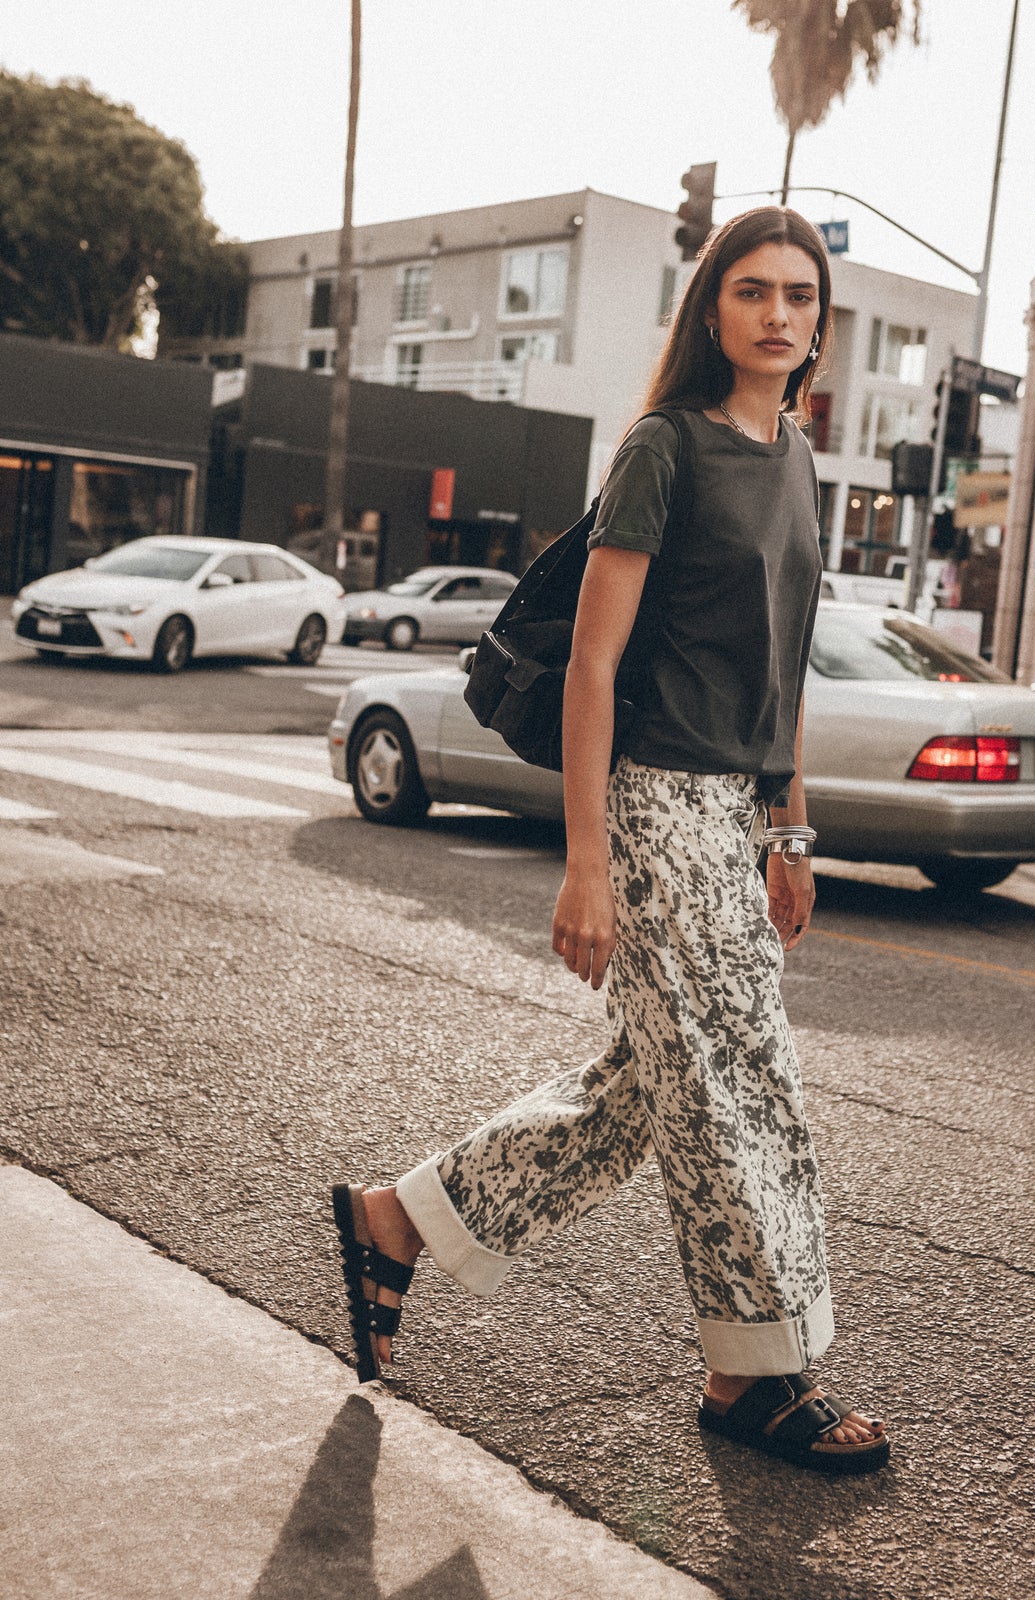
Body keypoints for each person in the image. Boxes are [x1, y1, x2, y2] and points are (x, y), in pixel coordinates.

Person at [332, 207, 889, 1476]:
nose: (777, 315)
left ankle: (395, 1223)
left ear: (817, 320)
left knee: (650, 1091)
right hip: (650, 805)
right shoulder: (664, 448)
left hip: (734, 812)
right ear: (711, 311)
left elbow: (782, 666)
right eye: (750, 291)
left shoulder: (797, 460)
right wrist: (587, 860)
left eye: (798, 295)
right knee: (746, 1092)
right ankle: (754, 1379)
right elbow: (591, 663)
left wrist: (789, 825)